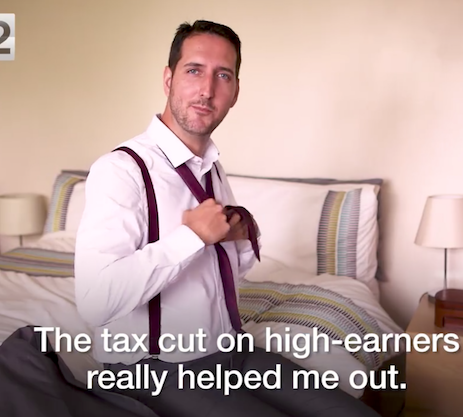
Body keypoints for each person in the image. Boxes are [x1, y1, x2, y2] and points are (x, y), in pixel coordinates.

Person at [74, 19, 381, 417]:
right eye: (194, 70)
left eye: (223, 75)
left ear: (235, 91)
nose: (207, 89)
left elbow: (224, 275)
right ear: (168, 79)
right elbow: (95, 302)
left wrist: (241, 235)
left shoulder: (212, 167)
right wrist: (191, 237)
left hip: (232, 351)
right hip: (152, 368)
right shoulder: (121, 170)